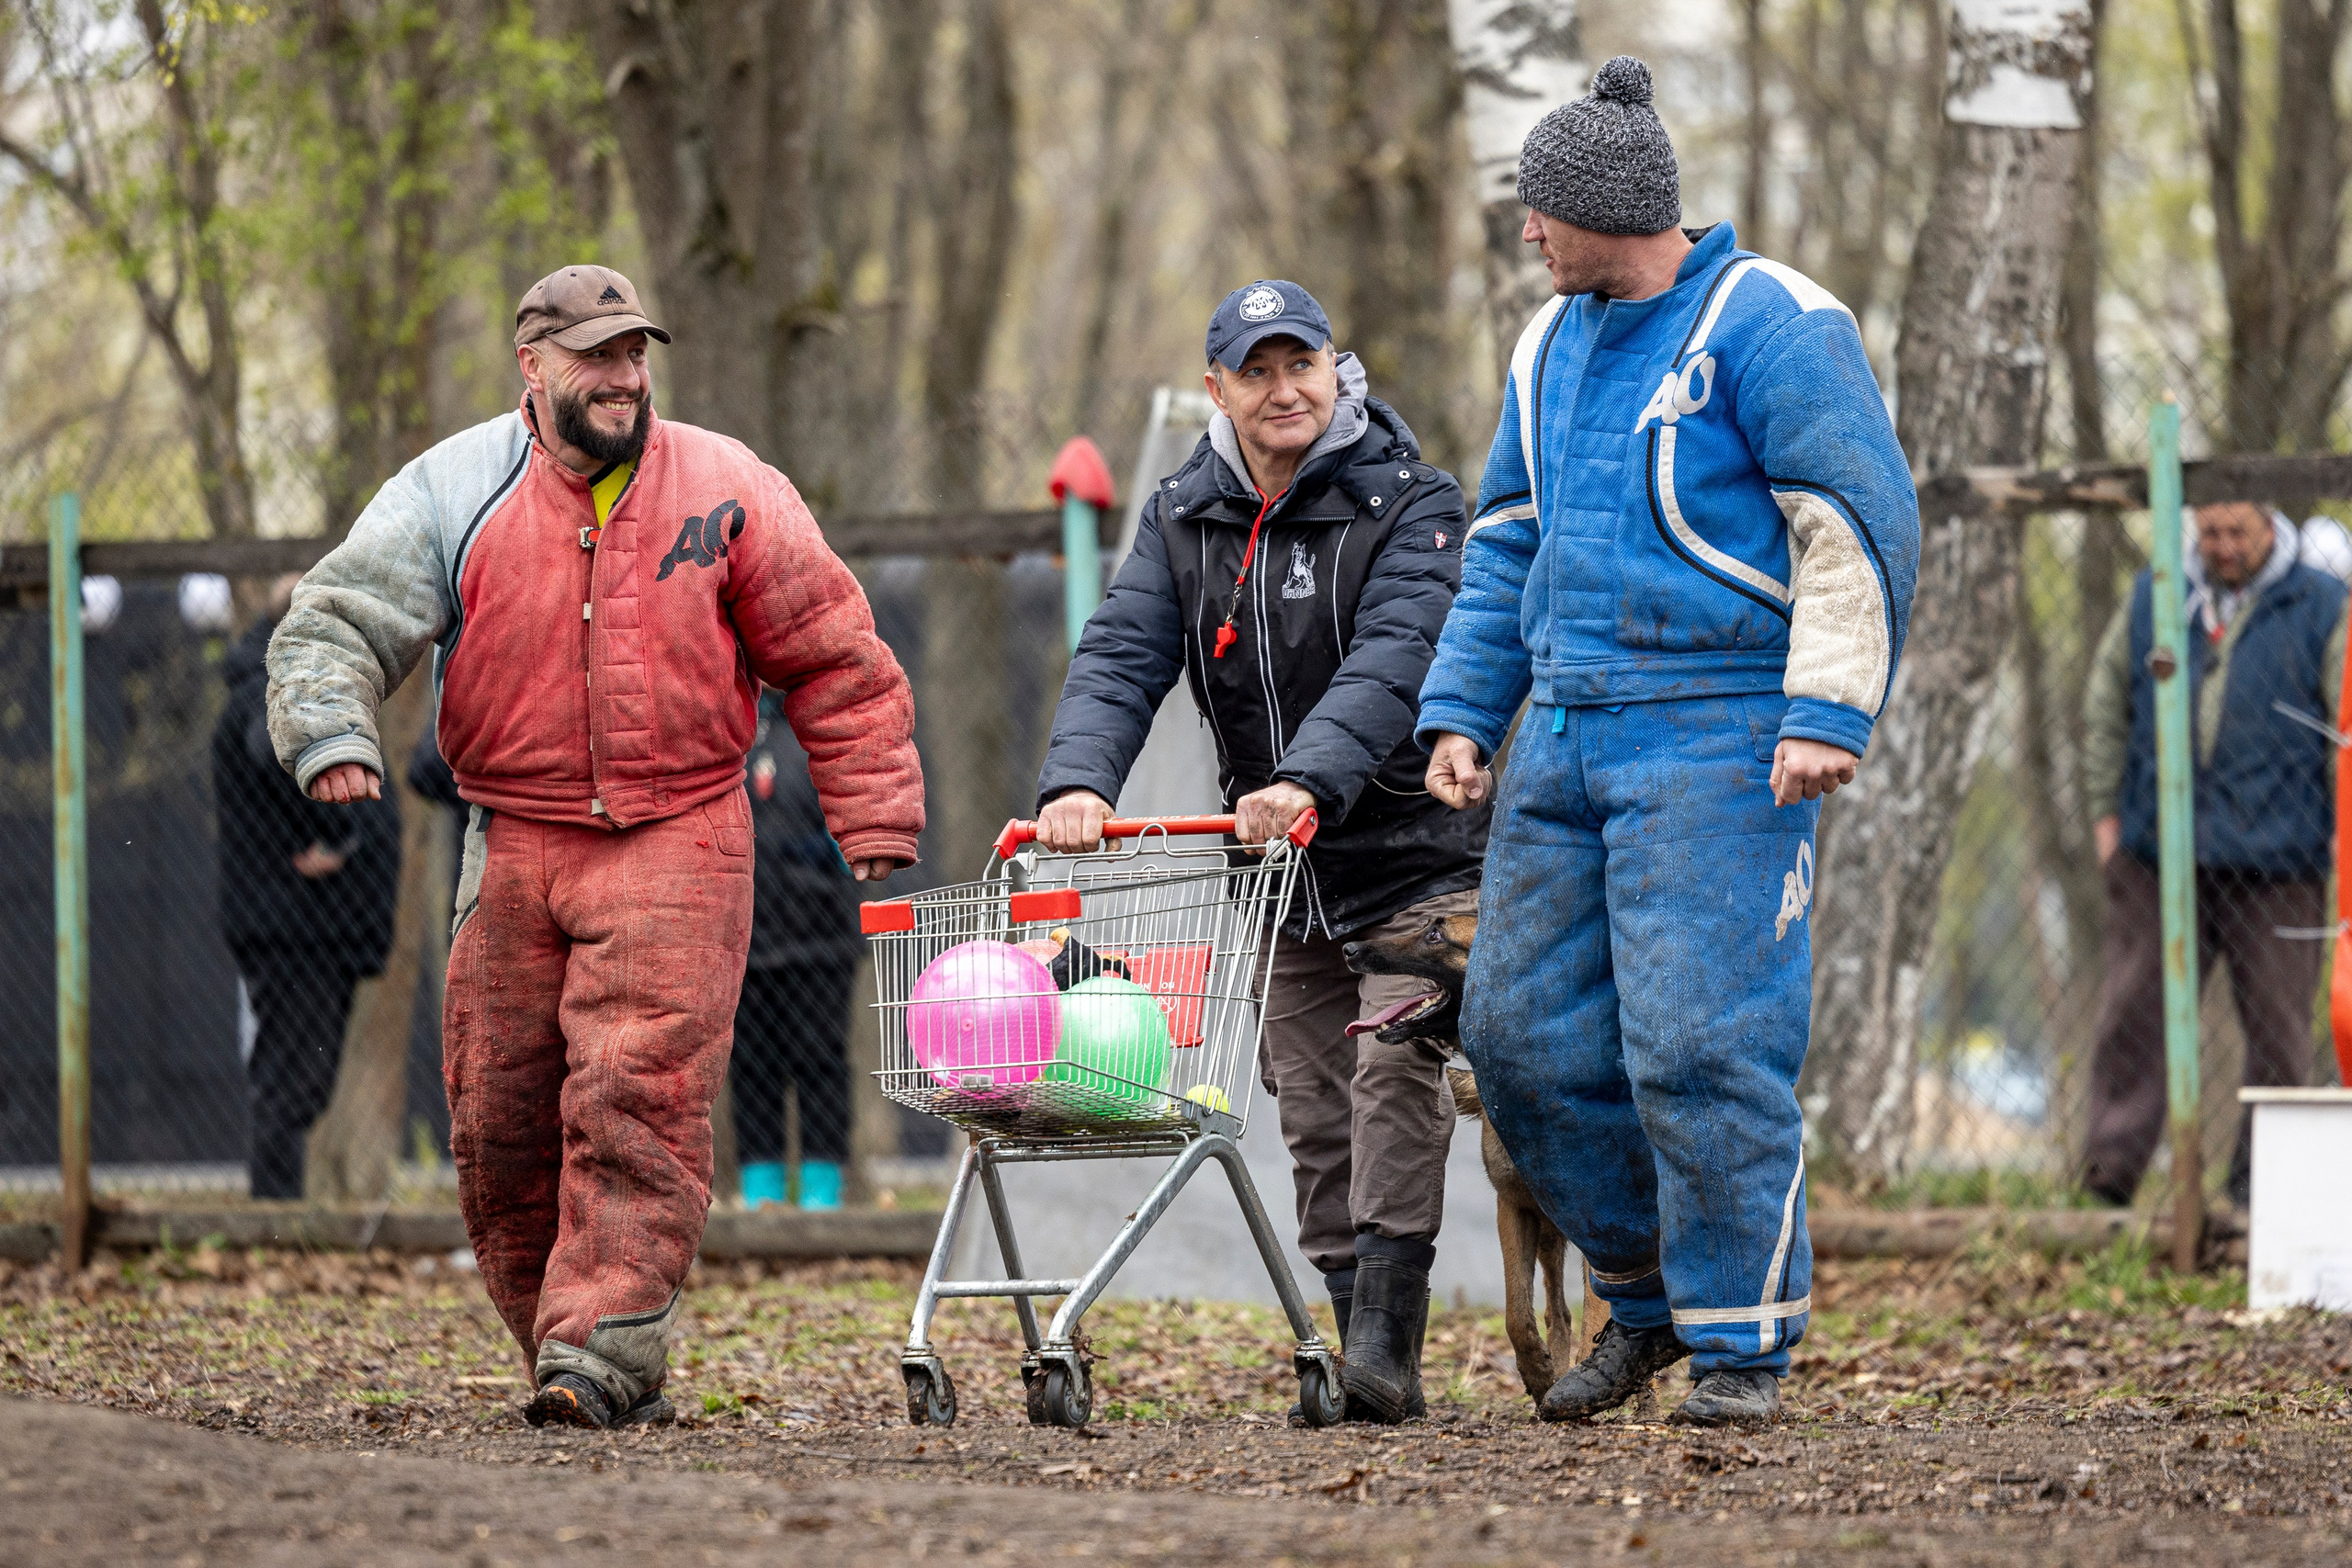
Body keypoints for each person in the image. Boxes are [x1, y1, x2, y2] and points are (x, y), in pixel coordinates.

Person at [266, 265, 923, 1428]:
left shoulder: (728, 487)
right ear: (534, 368)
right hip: (512, 833)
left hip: (680, 829)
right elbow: (339, 616)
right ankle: (557, 1341)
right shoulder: (454, 485)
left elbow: (832, 653)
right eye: (596, 358)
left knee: (634, 1091)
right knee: (497, 1110)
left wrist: (870, 810)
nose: (623, 379)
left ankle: (604, 1342)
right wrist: (328, 732)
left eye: (635, 355)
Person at [1418, 57, 1919, 1428]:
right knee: (1517, 1041)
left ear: (1608, 208)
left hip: (1724, 732)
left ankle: (1743, 1340)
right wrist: (1466, 708)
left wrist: (1826, 711)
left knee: (1702, 1044)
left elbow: (1856, 523)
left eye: (1544, 211)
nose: (1529, 232)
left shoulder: (1774, 319)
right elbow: (1508, 538)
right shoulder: (1544, 344)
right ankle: (1647, 1299)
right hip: (1567, 730)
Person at [1035, 278, 1485, 1424]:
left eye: (1304, 364)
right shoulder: (1186, 515)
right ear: (1218, 389)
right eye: (1258, 370)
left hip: (1414, 853)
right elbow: (1123, 652)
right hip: (1277, 871)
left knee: (1392, 1074)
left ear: (1340, 369)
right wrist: (1079, 782)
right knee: (1313, 1107)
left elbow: (1396, 658)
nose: (1285, 389)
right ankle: (1350, 1337)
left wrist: (1307, 779)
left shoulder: (1414, 501)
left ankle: (1387, 1349)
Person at [2080, 503, 2348, 1208]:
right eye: (2210, 533)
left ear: (2271, 526)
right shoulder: (2155, 593)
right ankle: (2107, 1183)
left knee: (2281, 1031)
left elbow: (2342, 726)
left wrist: (2339, 834)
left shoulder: (2323, 604)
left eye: (2238, 534)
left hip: (2280, 858)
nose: (2223, 547)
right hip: (2157, 851)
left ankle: (2264, 1196)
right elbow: (2107, 701)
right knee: (2135, 1015)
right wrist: (2107, 819)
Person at [213, 573, 401, 1201]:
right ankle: (274, 1222)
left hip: (308, 923)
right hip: (297, 924)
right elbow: (272, 750)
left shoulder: (280, 682)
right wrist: (331, 835)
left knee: (298, 1081)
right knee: (291, 1082)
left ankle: (278, 1215)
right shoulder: (278, 688)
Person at [731, 688, 865, 1211]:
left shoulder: (829, 729)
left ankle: (821, 1201)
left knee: (820, 1062)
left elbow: (853, 834)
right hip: (743, 940)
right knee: (750, 1065)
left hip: (821, 942)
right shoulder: (728, 728)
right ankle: (759, 1201)